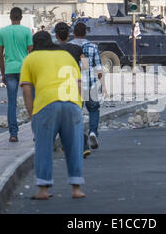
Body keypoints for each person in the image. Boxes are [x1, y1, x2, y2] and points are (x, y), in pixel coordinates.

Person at [20, 31, 85, 200]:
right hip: (72, 103)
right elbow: (79, 82)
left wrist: (31, 113)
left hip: (47, 104)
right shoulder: (66, 55)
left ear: (34, 45)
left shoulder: (31, 58)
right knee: (74, 147)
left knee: (44, 147)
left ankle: (43, 190)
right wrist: (78, 104)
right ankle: (76, 189)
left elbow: (26, 89)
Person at [54, 22, 91, 158]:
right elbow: (86, 66)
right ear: (69, 34)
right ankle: (82, 144)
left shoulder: (52, 50)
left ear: (56, 35)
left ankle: (69, 144)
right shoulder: (76, 48)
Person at [0, 7, 33, 142]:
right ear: (21, 17)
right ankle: (36, 131)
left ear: (10, 17)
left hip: (10, 70)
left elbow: (0, 54)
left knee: (11, 103)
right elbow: (31, 52)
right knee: (31, 100)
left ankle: (13, 133)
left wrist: (3, 72)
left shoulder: (2, 32)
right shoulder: (26, 31)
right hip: (25, 70)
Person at [70, 22, 104, 151]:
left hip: (74, 85)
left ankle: (77, 137)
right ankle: (93, 132)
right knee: (94, 109)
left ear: (74, 33)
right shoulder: (92, 47)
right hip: (91, 84)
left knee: (76, 111)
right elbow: (98, 68)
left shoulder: (69, 47)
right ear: (85, 33)